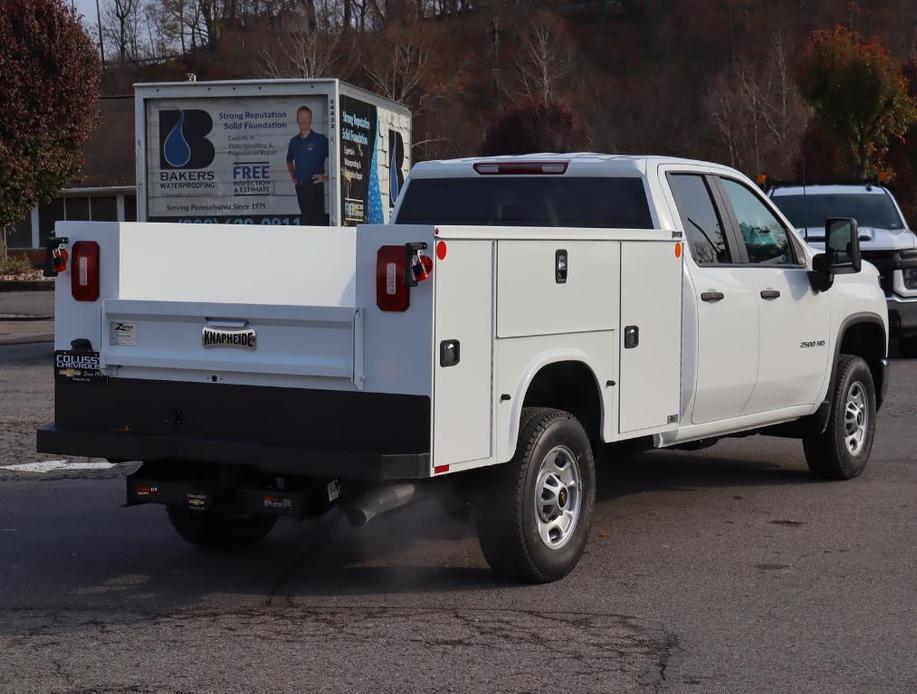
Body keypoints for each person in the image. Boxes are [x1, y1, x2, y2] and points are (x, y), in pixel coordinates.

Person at [286, 105, 329, 225]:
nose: (303, 121)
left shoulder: (320, 140)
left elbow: (336, 158)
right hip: (301, 187)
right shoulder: (294, 142)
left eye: (306, 118)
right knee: (305, 221)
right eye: (301, 118)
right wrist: (293, 176)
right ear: (297, 120)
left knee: (317, 222)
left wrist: (326, 178)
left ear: (310, 119)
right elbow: (289, 160)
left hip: (315, 187)